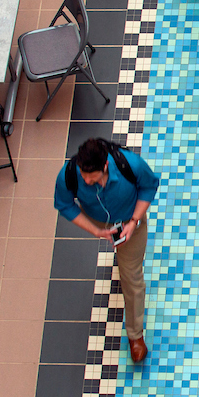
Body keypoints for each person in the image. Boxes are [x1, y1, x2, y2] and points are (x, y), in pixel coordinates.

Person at [53, 139, 160, 363]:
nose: (85, 180)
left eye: (90, 176)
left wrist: (133, 221)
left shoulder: (131, 165)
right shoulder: (70, 174)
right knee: (125, 266)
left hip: (130, 222)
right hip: (99, 220)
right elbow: (65, 205)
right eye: (83, 174)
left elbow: (149, 187)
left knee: (131, 278)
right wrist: (94, 230)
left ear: (105, 167)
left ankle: (135, 335)